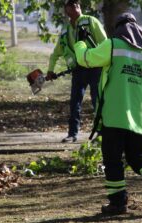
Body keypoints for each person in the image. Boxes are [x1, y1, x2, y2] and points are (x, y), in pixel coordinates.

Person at [74, 12, 142, 215]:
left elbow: (85, 59)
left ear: (118, 30)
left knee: (112, 159)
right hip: (141, 119)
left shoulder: (112, 45)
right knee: (139, 158)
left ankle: (118, 203)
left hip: (115, 116)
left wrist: (80, 42)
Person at [46, 0, 107, 143]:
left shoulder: (90, 21)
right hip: (78, 71)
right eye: (71, 7)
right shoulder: (66, 29)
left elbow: (105, 43)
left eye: (76, 6)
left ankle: (101, 133)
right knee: (75, 103)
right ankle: (72, 134)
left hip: (95, 68)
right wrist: (50, 70)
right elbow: (56, 53)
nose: (75, 9)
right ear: (66, 10)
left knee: (96, 101)